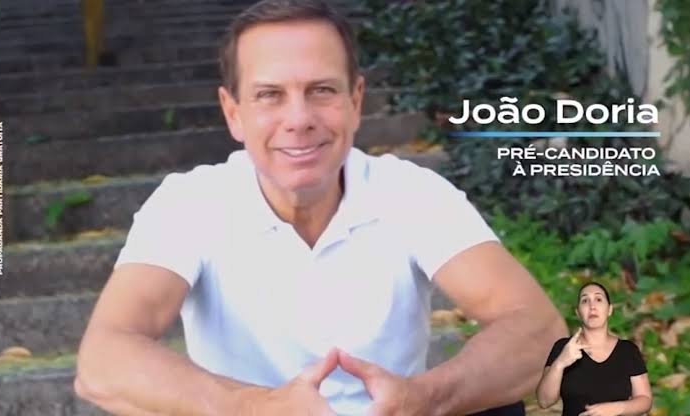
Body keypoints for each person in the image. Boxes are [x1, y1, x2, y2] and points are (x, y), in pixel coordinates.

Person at [74, 1, 567, 414]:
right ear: (233, 113)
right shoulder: (190, 204)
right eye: (270, 95)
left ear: (356, 101)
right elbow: (103, 361)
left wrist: (427, 398)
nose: (299, 119)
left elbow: (540, 330)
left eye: (321, 91)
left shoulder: (412, 193)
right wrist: (256, 408)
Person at [536, 282, 653, 416]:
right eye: (585, 301)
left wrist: (615, 408)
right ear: (578, 312)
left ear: (609, 310)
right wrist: (560, 364)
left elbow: (645, 400)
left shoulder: (627, 350)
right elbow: (544, 401)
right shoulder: (563, 348)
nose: (592, 306)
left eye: (598, 299)